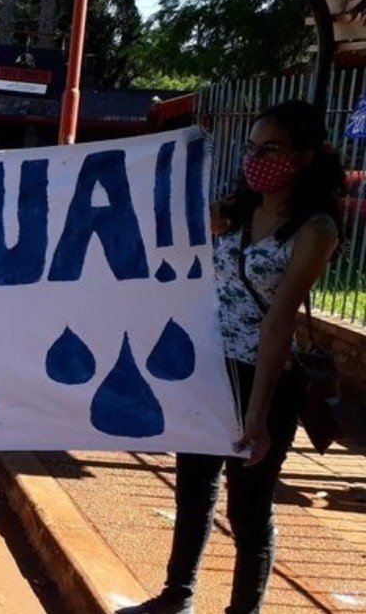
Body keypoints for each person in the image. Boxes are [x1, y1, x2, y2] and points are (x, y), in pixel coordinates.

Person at [121, 100, 343, 614]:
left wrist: (257, 414)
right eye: (252, 146)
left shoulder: (315, 229)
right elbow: (172, 237)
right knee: (194, 490)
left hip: (264, 376)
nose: (257, 158)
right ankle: (177, 597)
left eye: (271, 148)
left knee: (249, 507)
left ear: (305, 157)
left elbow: (279, 321)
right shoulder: (236, 210)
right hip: (207, 369)